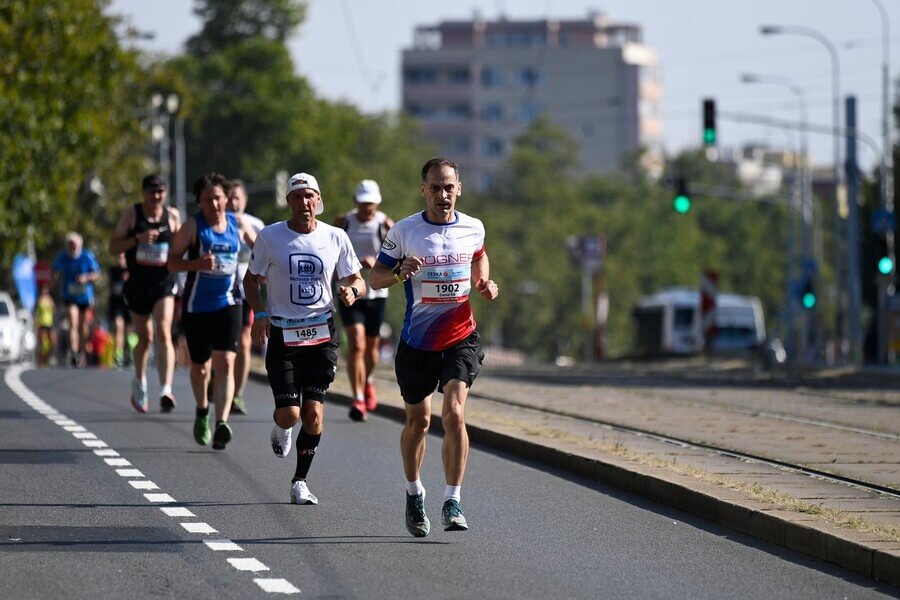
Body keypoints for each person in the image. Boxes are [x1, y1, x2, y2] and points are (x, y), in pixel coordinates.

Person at [370, 157, 500, 537]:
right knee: (419, 422)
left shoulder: (473, 227)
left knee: (455, 414)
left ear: (459, 188)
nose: (443, 195)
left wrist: (484, 282)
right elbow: (375, 278)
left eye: (449, 187)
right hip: (417, 342)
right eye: (435, 188)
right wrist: (398, 273)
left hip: (461, 336)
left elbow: (480, 256)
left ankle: (453, 499)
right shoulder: (405, 230)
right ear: (423, 190)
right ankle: (414, 492)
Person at [244, 172, 364, 505]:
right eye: (297, 197)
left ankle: (300, 481)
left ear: (319, 200)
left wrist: (352, 291)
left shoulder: (336, 237)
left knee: (313, 414)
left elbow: (357, 278)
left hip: (322, 334)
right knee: (290, 414)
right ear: (289, 202)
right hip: (283, 334)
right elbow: (250, 280)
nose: (304, 203)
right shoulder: (271, 237)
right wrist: (260, 315)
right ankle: (281, 427)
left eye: (309, 196)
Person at [168, 173, 256, 451]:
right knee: (200, 367)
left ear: (226, 199)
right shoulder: (193, 227)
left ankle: (221, 422)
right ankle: (202, 409)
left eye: (218, 198)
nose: (215, 204)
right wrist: (196, 264)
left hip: (230, 303)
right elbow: (171, 263)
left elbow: (261, 248)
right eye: (208, 200)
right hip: (197, 306)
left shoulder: (237, 223)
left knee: (226, 363)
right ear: (200, 202)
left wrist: (266, 268)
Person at [108, 174, 182, 413]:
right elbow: (113, 248)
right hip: (138, 284)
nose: (156, 196)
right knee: (146, 338)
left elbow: (180, 247)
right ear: (143, 193)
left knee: (163, 330)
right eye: (152, 192)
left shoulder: (172, 216)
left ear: (166, 193)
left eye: (160, 191)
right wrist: (137, 239)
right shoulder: (132, 214)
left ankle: (166, 389)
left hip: (164, 282)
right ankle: (139, 380)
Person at [333, 179, 394, 422]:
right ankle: (357, 397)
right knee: (356, 344)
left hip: (376, 293)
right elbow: (330, 249)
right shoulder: (344, 222)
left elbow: (398, 256)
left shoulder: (385, 224)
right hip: (349, 290)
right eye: (363, 203)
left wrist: (376, 260)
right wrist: (355, 264)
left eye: (371, 204)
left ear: (377, 203)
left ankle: (368, 381)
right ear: (355, 201)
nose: (367, 208)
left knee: (371, 349)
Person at [227, 179, 265, 415]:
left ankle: (237, 394)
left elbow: (265, 255)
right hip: (218, 289)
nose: (232, 202)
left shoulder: (255, 224)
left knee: (243, 342)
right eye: (228, 197)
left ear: (244, 200)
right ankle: (218, 377)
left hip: (244, 290)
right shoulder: (214, 224)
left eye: (236, 198)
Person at [53, 232, 101, 367]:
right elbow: (55, 270)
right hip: (70, 296)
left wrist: (85, 278)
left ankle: (81, 350)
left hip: (85, 296)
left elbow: (97, 274)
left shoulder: (86, 256)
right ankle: (73, 352)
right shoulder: (63, 256)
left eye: (74, 245)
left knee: (83, 326)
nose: (72, 247)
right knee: (72, 322)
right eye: (70, 245)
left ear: (79, 245)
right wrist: (55, 276)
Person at [108, 253, 131, 368]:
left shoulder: (132, 270)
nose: (119, 260)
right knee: (119, 326)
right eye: (118, 258)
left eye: (122, 258)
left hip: (130, 304)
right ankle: (118, 355)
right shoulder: (113, 271)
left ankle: (129, 353)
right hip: (117, 304)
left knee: (128, 331)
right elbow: (114, 288)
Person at [34, 283, 56, 366]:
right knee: (43, 343)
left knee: (52, 342)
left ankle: (48, 358)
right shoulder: (40, 300)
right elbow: (36, 312)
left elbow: (54, 309)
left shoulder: (50, 300)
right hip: (42, 323)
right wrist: (36, 322)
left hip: (49, 323)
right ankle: (41, 360)